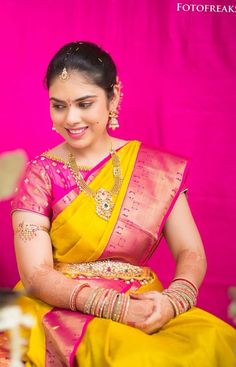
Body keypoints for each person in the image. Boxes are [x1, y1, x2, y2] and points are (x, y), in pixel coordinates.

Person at [11, 41, 236, 367]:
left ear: (113, 96)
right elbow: (35, 274)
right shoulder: (39, 173)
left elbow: (191, 252)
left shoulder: (158, 169)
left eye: (85, 103)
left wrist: (173, 302)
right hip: (63, 309)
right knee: (135, 356)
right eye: (58, 106)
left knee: (217, 341)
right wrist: (119, 308)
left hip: (147, 303)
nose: (71, 118)